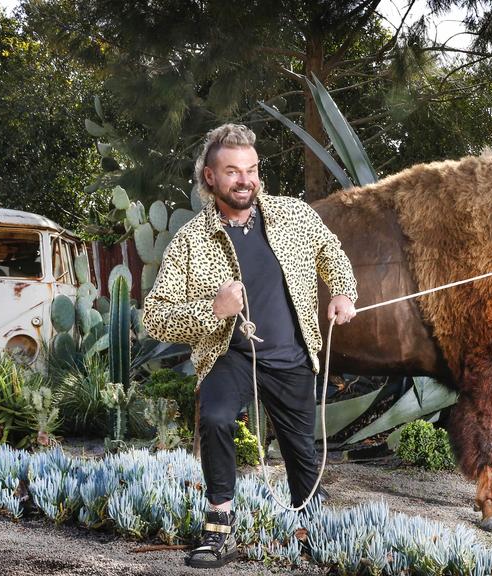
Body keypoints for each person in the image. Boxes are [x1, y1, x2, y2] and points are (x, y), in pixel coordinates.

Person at [143, 123, 358, 569]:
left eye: (252, 170)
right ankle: (219, 532)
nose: (245, 180)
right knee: (217, 418)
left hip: (291, 355)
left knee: (302, 449)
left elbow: (331, 252)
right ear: (209, 177)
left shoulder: (293, 216)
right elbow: (155, 316)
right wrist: (213, 310)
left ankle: (313, 529)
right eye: (232, 172)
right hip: (229, 354)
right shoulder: (190, 241)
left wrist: (343, 291)